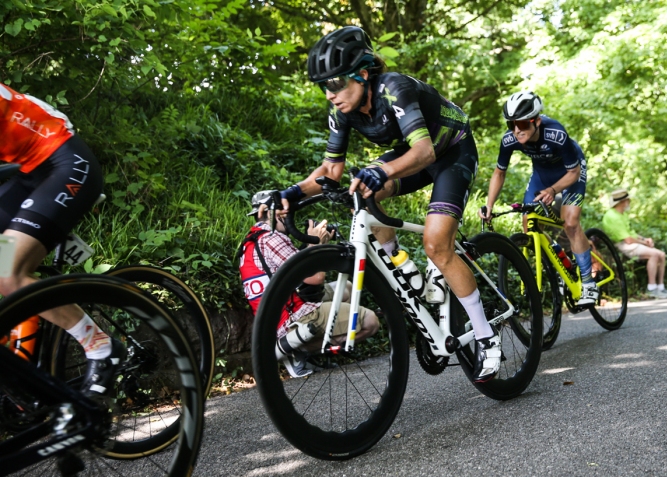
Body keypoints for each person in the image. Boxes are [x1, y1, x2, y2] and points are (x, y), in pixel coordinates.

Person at [277, 26, 502, 383]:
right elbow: (331, 170)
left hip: (450, 150)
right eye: (324, 86)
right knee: (362, 190)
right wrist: (290, 193)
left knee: (436, 244)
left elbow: (425, 151)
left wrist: (381, 171)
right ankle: (400, 264)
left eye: (335, 83)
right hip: (414, 152)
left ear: (362, 74)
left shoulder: (394, 88)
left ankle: (486, 336)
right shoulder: (343, 110)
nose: (330, 94)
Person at [0, 84, 125, 395]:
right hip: (29, 172)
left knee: (6, 272)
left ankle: (101, 347)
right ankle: (21, 357)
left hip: (66, 163)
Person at [238, 190, 379, 378]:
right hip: (291, 317)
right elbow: (315, 277)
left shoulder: (252, 240)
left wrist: (316, 244)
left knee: (347, 289)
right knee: (371, 322)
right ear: (264, 211)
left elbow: (297, 273)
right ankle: (297, 348)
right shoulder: (272, 238)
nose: (285, 212)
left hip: (276, 316)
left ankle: (299, 346)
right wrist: (317, 244)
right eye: (279, 207)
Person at [479, 91, 599, 307]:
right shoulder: (510, 139)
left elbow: (573, 173)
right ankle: (561, 260)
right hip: (542, 175)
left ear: (537, 121)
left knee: (570, 223)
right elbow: (499, 173)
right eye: (512, 124)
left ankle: (589, 284)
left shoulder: (556, 133)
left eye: (523, 124)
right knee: (529, 225)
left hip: (570, 172)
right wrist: (489, 205)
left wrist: (553, 190)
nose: (517, 130)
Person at [602, 189, 667, 298]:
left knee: (662, 254)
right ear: (622, 202)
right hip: (622, 244)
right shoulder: (612, 216)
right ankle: (651, 288)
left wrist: (644, 239)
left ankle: (661, 288)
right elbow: (627, 240)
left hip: (629, 243)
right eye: (628, 200)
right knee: (654, 254)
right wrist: (644, 242)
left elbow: (631, 233)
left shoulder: (622, 214)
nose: (629, 202)